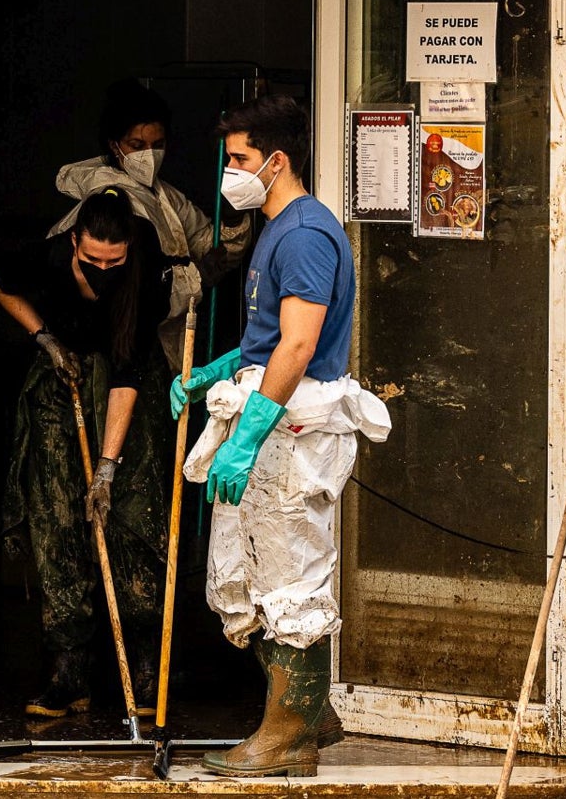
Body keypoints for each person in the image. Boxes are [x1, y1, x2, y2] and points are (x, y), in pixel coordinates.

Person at [170, 95, 390, 778]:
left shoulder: (301, 235)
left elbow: (298, 346)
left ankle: (290, 732)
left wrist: (247, 432)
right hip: (276, 424)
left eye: (238, 159)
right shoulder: (279, 228)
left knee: (290, 576)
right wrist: (216, 370)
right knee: (248, 576)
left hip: (295, 436)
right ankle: (310, 708)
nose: (229, 172)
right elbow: (268, 343)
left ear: (276, 160)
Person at [0, 186, 172, 719]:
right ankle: (69, 671)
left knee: (131, 517)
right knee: (58, 517)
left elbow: (126, 372)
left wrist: (108, 469)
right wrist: (45, 340)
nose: (102, 269)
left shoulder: (144, 277)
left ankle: (144, 668)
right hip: (61, 379)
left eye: (112, 262)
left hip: (126, 396)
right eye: (92, 259)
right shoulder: (47, 256)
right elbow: (1, 285)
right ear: (75, 241)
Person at [49, 77, 252, 375]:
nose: (149, 154)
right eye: (137, 145)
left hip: (167, 347)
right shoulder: (105, 202)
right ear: (114, 145)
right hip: (116, 349)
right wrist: (197, 277)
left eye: (157, 145)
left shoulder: (166, 196)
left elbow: (210, 245)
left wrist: (232, 220)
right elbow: (126, 286)